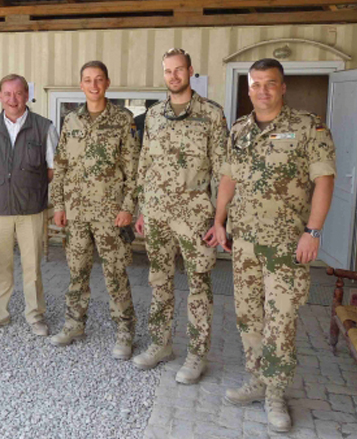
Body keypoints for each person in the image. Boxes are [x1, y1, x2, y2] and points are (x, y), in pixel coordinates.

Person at [206, 58, 336, 432]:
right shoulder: (239, 130)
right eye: (256, 84)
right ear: (248, 89)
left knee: (281, 319)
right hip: (245, 241)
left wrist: (313, 232)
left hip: (286, 244)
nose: (262, 90)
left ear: (283, 87)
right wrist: (219, 221)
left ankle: (276, 393)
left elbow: (324, 180)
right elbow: (228, 178)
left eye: (270, 83)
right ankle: (258, 379)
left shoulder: (308, 127)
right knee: (249, 316)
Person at [132, 49, 228, 382]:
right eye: (167, 71)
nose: (173, 76)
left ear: (190, 71)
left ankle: (197, 355)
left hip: (195, 217)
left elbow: (223, 170)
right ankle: (160, 344)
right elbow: (145, 164)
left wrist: (219, 220)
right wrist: (142, 208)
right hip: (157, 214)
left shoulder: (211, 114)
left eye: (178, 70)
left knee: (199, 285)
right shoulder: (154, 115)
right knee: (159, 280)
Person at [49, 61, 139, 360]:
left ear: (107, 83)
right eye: (88, 80)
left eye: (99, 79)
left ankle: (125, 332)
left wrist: (128, 208)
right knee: (77, 272)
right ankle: (74, 324)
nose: (93, 85)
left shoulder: (123, 120)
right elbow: (61, 165)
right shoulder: (71, 120)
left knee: (115, 273)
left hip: (110, 213)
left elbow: (133, 168)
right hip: (76, 213)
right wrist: (59, 205)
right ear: (81, 85)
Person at [0, 74, 59, 336]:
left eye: (18, 93)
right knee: (0, 263)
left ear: (27, 95)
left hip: (31, 209)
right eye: (7, 94)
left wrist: (27, 184)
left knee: (32, 266)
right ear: (0, 96)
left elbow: (52, 169)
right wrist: (3, 183)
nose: (13, 99)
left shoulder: (43, 127)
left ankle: (35, 315)